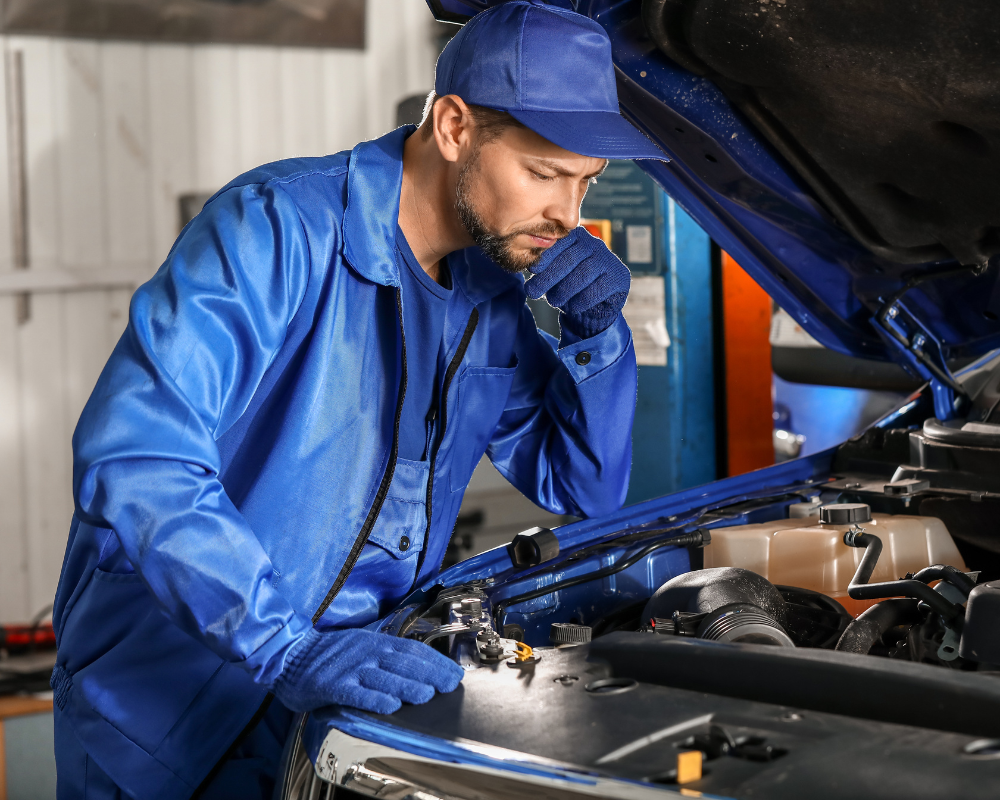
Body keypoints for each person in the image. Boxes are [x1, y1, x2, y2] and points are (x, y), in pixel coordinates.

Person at [49, 2, 666, 797]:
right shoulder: (275, 229)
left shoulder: (492, 288)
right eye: (545, 174)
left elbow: (581, 487)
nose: (569, 216)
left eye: (586, 181)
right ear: (452, 127)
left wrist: (597, 341)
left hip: (338, 700)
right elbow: (134, 454)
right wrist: (285, 648)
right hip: (166, 701)